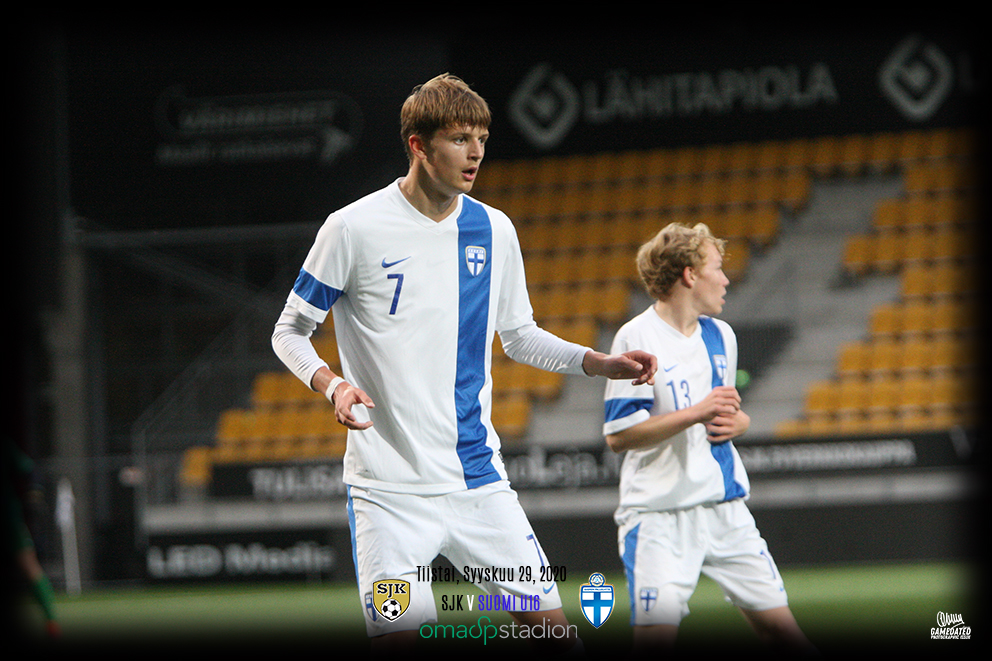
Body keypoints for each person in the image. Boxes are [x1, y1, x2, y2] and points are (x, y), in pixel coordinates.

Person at [271, 73, 657, 653]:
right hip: (388, 493)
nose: (475, 152)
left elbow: (519, 337)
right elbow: (289, 331)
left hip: (478, 482)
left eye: (481, 138)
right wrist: (333, 385)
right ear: (418, 146)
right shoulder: (352, 228)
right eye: (458, 139)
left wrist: (597, 362)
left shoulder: (493, 228)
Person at [602, 222, 814, 653]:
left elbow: (722, 414)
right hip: (659, 516)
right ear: (690, 275)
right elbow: (619, 435)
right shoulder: (637, 336)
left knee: (783, 632)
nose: (726, 279)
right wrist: (696, 413)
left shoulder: (722, 336)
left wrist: (741, 423)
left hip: (723, 509)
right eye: (717, 268)